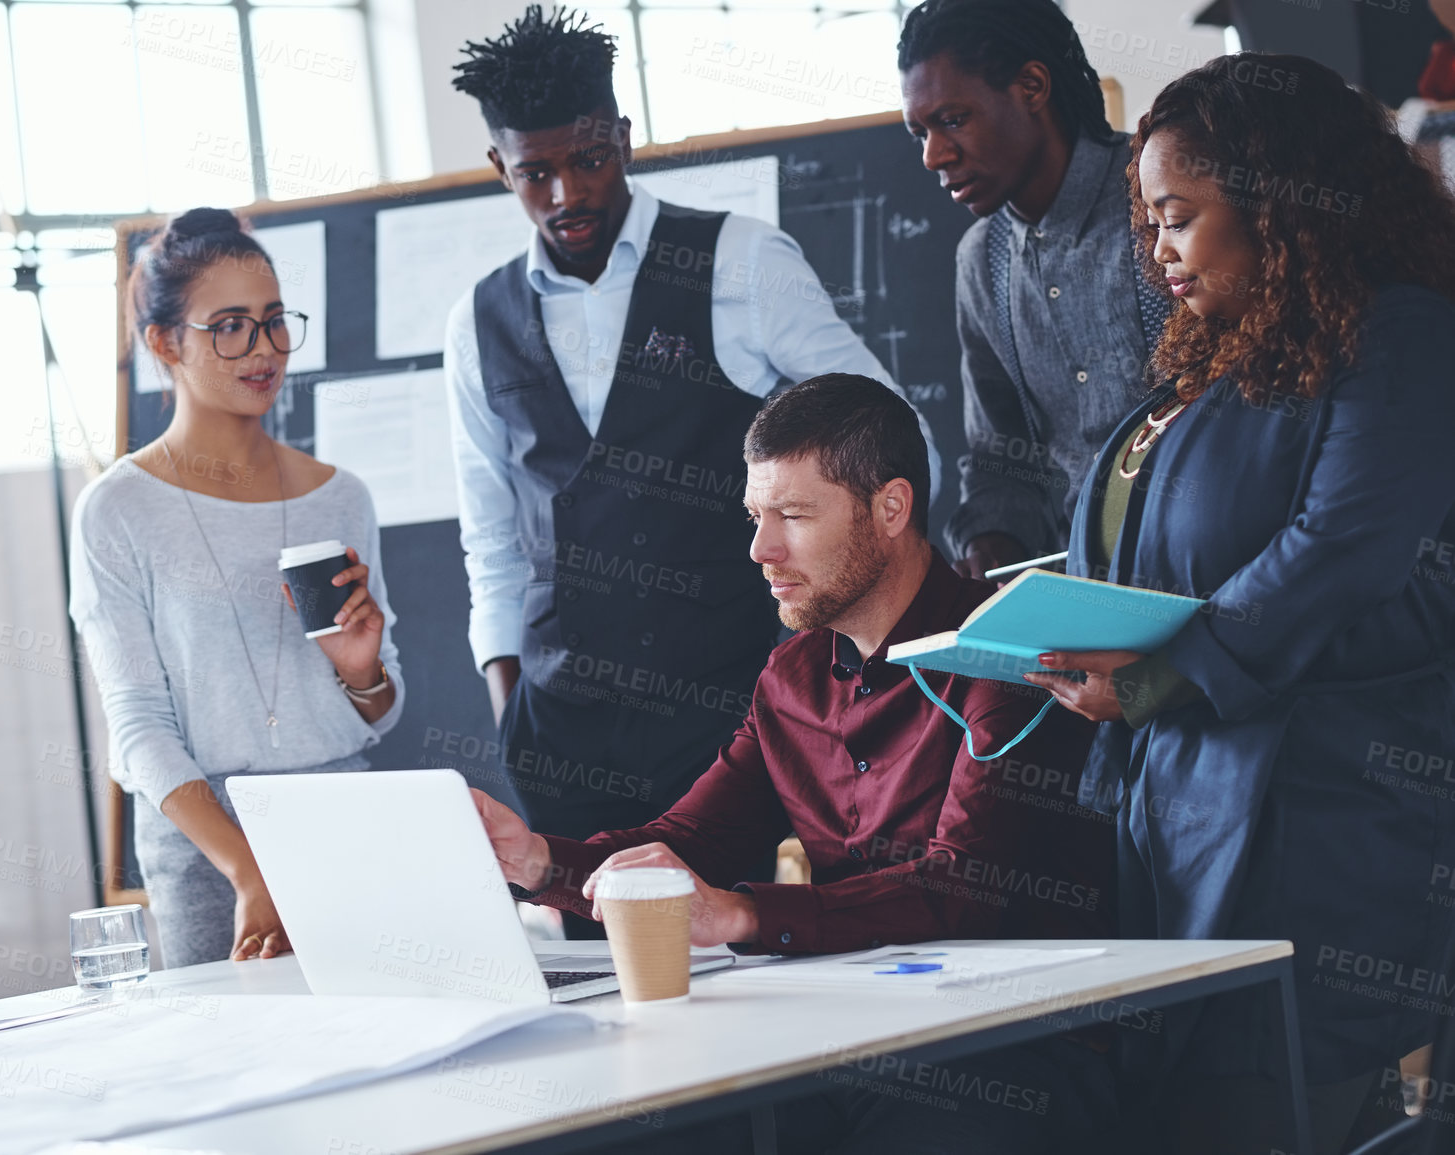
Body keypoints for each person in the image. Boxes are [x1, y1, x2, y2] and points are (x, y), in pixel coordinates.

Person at [476, 374, 1117, 1152]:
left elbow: (962, 888)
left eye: (792, 515)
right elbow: (689, 841)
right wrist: (538, 861)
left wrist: (742, 914)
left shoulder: (999, 650)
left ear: (889, 508)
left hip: (1015, 1042)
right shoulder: (790, 677)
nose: (759, 549)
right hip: (843, 1031)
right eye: (755, 516)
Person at [1022, 55, 1455, 1155]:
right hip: (1172, 810)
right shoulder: (1230, 357)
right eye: (1149, 220)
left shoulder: (1397, 335)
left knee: (1263, 1116)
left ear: (1275, 204)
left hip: (1305, 830)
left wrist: (1157, 676)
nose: (1157, 249)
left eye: (1180, 216)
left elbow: (1336, 554)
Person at [446, 7, 940, 934]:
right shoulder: (474, 322)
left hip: (721, 711)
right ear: (499, 170)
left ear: (624, 138)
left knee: (725, 973)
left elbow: (887, 428)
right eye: (534, 173)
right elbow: (489, 530)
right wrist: (508, 697)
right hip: (556, 729)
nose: (566, 193)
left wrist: (865, 628)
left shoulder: (740, 260)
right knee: (590, 992)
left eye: (589, 158)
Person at [70, 208, 403, 968]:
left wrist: (362, 673)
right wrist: (250, 870)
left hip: (350, 818)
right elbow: (138, 726)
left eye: (274, 321)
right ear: (164, 342)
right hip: (209, 849)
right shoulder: (118, 508)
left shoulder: (338, 495)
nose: (263, 350)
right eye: (229, 326)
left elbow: (382, 713)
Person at [899, 0, 1172, 580]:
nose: (932, 155)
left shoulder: (1162, 196)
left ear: (1032, 86)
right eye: (919, 131)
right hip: (1084, 586)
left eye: (952, 119)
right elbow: (1001, 454)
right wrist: (991, 536)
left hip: (1215, 565)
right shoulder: (982, 262)